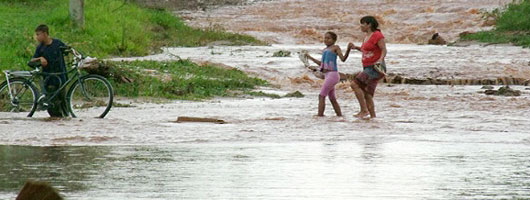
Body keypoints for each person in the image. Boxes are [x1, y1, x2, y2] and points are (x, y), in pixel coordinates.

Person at [305, 31, 352, 117]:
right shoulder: (324, 50)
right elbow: (322, 64)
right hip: (327, 75)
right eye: (325, 38)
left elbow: (343, 59)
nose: (326, 40)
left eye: (328, 38)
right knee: (332, 98)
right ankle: (340, 116)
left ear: (334, 40)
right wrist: (310, 58)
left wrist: (348, 49)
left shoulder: (335, 47)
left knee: (321, 96)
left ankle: (320, 116)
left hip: (333, 75)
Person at [349, 16, 387, 119]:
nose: (361, 26)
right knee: (367, 93)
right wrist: (356, 47)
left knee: (355, 84)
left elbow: (383, 49)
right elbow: (365, 50)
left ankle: (364, 110)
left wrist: (380, 59)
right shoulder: (366, 36)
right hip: (366, 67)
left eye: (362, 24)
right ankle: (373, 118)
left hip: (375, 67)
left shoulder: (378, 35)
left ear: (369, 24)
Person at [31, 24, 69, 117]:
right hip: (49, 79)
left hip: (61, 77)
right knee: (52, 105)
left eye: (38, 34)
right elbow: (31, 61)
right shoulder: (40, 47)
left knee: (63, 100)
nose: (37, 37)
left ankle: (65, 120)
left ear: (44, 34)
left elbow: (67, 50)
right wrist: (40, 58)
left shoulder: (57, 43)